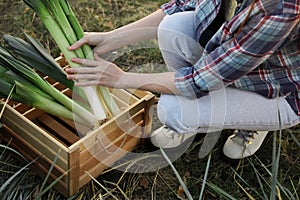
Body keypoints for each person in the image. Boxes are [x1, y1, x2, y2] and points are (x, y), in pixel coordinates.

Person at [66, 0, 300, 159]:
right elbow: (182, 4)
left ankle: (252, 124)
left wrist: (120, 78)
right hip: (230, 63)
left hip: (279, 88)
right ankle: (196, 119)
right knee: (173, 26)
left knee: (172, 110)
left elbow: (199, 80)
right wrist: (113, 37)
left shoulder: (281, 7)